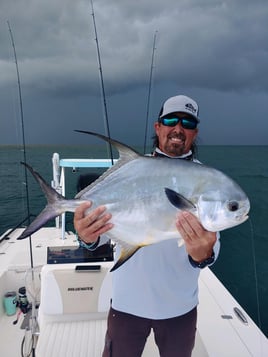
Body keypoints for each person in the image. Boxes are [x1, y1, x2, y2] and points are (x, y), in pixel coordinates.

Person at [74, 94, 220, 357]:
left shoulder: (206, 180)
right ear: (158, 127)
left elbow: (212, 246)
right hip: (127, 305)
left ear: (194, 133)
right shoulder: (132, 170)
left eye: (187, 123)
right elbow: (102, 238)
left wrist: (204, 254)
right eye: (171, 120)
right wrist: (88, 237)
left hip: (179, 309)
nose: (178, 128)